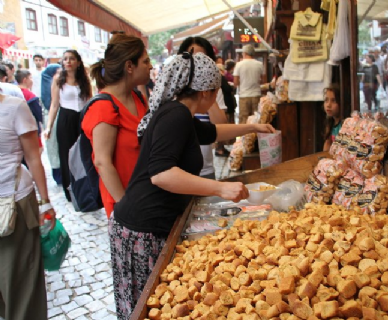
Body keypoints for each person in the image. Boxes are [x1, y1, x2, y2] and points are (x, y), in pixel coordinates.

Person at [110, 52, 275, 319]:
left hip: (151, 224)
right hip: (142, 229)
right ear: (206, 92)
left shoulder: (182, 114)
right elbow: (161, 174)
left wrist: (252, 127)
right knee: (147, 307)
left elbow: (212, 133)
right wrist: (220, 188)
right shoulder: (175, 115)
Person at [0, 91, 56, 320]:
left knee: (20, 278)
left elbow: (33, 157)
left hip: (14, 203)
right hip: (14, 200)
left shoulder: (15, 108)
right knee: (19, 281)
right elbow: (33, 157)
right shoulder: (14, 107)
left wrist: (44, 202)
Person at [82, 34, 150, 219]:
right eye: (145, 61)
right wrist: (126, 206)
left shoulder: (138, 98)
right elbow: (102, 162)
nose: (150, 66)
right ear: (129, 66)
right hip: (126, 203)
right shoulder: (103, 107)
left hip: (145, 196)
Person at [44, 50, 92, 201]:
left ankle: (86, 188)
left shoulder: (84, 79)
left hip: (82, 118)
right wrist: (49, 127)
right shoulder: (58, 79)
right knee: (66, 155)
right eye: (65, 59)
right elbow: (54, 104)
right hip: (66, 118)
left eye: (71, 58)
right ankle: (70, 191)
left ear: (78, 62)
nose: (68, 61)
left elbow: (90, 100)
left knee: (84, 153)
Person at [177, 36, 230, 174]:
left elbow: (221, 127)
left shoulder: (213, 89)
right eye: (193, 58)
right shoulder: (174, 89)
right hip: (179, 173)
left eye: (202, 58)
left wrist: (206, 91)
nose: (198, 64)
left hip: (205, 168)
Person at [41, 64, 62, 185]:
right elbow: (53, 104)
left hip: (60, 119)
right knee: (54, 148)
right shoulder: (52, 87)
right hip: (52, 120)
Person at [233, 44, 263, 123]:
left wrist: (242, 83)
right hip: (256, 95)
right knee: (256, 119)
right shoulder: (259, 64)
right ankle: (255, 135)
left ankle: (245, 135)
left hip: (244, 96)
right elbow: (263, 80)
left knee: (244, 120)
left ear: (245, 53)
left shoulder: (239, 64)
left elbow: (235, 82)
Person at [16, 69, 43, 150]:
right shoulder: (30, 95)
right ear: (25, 80)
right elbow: (39, 114)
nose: (32, 81)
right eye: (30, 78)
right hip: (31, 130)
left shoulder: (12, 92)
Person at [322, 86, 343, 151]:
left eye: (333, 101)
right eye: (326, 100)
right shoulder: (330, 122)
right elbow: (327, 143)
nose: (328, 105)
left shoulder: (344, 124)